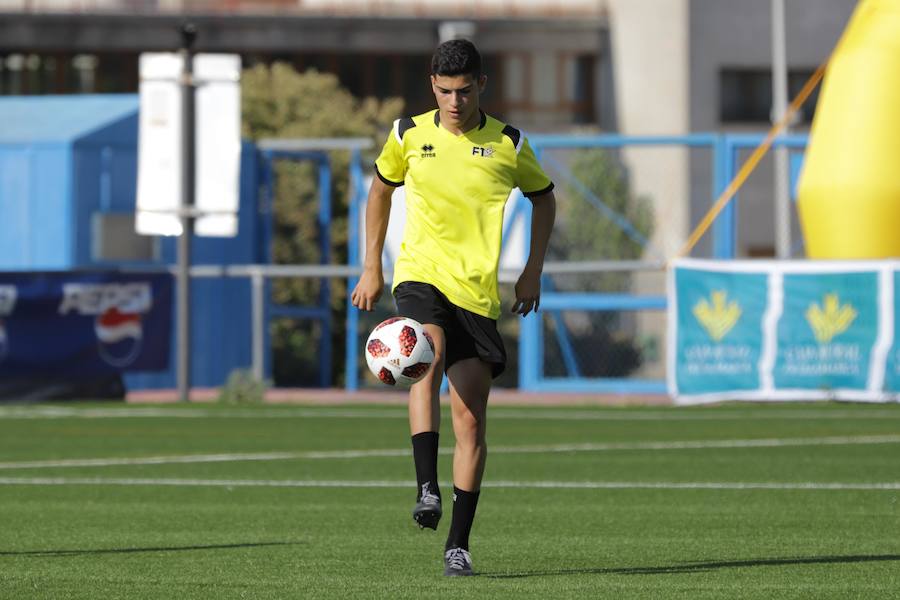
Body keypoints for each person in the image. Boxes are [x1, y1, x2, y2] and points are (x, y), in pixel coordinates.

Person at [350, 38, 556, 577]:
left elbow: (545, 197)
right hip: (419, 275)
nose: (454, 102)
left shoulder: (509, 144)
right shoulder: (408, 134)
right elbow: (379, 192)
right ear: (432, 87)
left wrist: (532, 269)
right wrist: (371, 266)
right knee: (426, 351)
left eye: (464, 91)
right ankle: (426, 487)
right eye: (444, 91)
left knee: (471, 421)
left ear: (481, 85)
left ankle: (458, 546)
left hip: (479, 294)